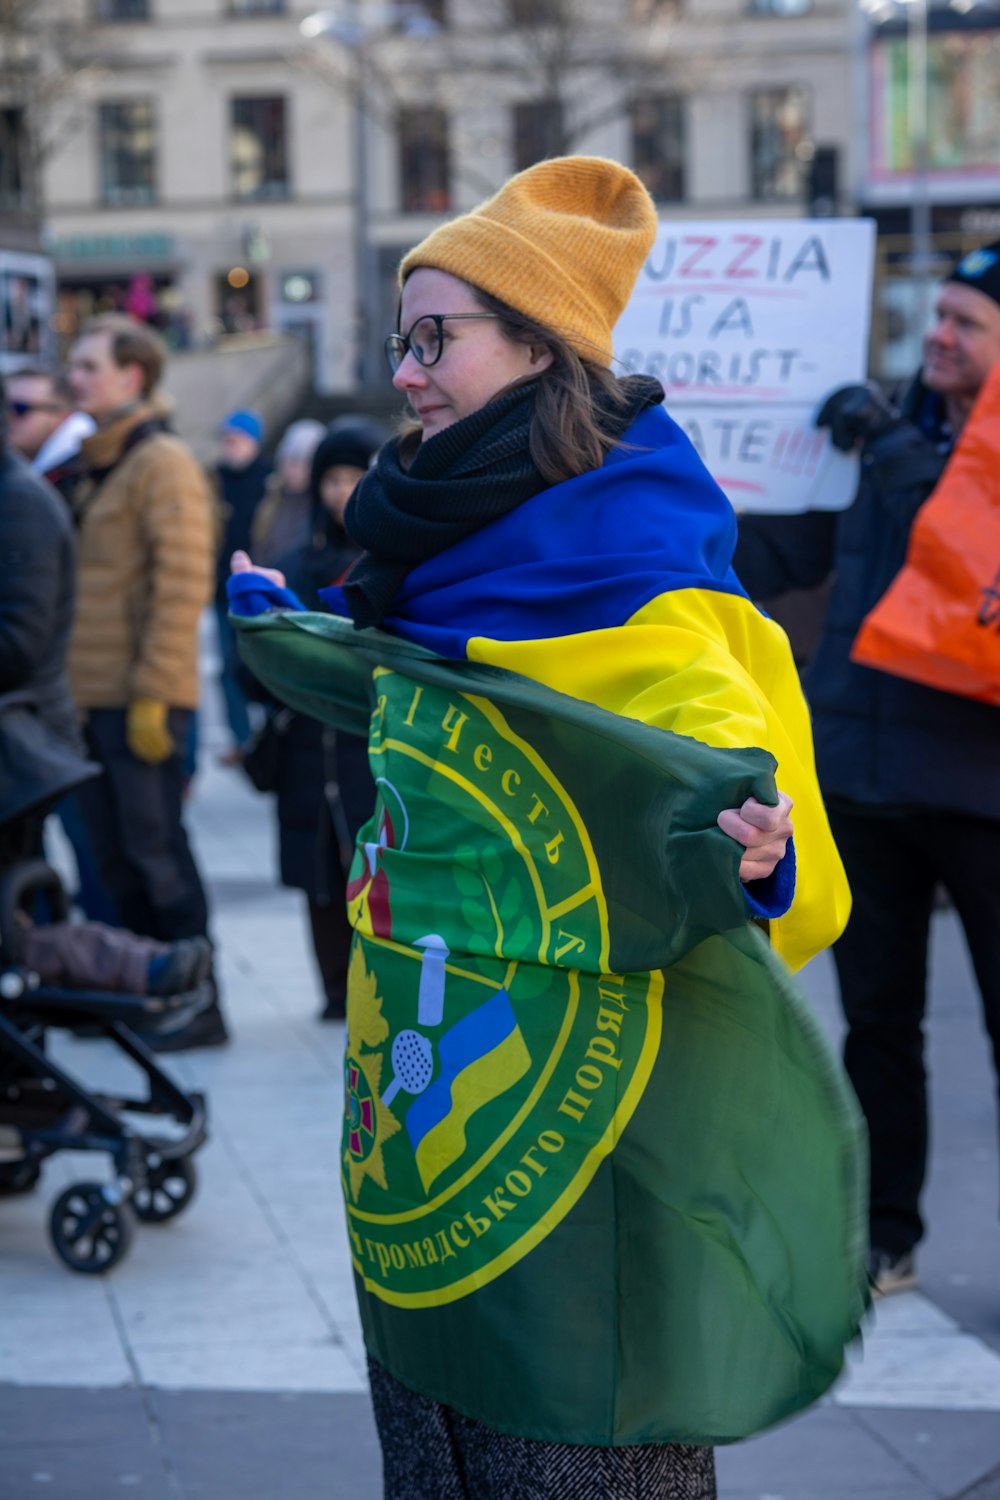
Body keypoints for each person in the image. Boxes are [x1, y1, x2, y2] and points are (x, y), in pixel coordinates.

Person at [230, 158, 858, 1500]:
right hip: (426, 1144)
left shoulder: (637, 566)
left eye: (438, 338)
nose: (407, 372)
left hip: (575, 1165)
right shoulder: (428, 545)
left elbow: (733, 764)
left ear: (541, 348)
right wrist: (297, 628)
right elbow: (436, 688)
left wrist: (754, 844)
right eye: (406, 339)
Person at [734, 242, 1000, 1296]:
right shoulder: (877, 424)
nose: (937, 333)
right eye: (937, 314)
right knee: (876, 1027)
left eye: (966, 322)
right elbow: (788, 555)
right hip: (860, 774)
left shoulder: (895, 440)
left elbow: (967, 552)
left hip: (982, 791)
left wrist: (890, 451)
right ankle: (882, 1234)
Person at [65, 313, 227, 1052]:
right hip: (92, 697)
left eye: (90, 366)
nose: (76, 379)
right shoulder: (101, 461)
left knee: (157, 857)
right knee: (115, 861)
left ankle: (200, 1002)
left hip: (139, 698)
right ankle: (144, 992)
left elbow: (180, 584)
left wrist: (158, 695)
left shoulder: (158, 460)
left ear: (134, 376)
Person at [240, 421, 379, 1020]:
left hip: (364, 746)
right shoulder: (297, 561)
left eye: (355, 479)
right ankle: (333, 989)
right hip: (304, 745)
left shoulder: (393, 566)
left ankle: (371, 987)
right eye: (332, 479)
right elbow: (258, 671)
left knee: (370, 867)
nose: (341, 492)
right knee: (319, 872)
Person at [213, 408, 271, 762]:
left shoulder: (269, 479)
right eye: (226, 440)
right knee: (226, 669)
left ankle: (267, 736)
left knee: (262, 667)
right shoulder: (214, 479)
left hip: (259, 591)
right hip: (221, 591)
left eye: (236, 440)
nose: (230, 447)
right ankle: (241, 738)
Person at [4, 366, 95, 502]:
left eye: (20, 408)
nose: (7, 417)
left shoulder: (79, 479)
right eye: (3, 407)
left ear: (60, 416)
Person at [250, 417, 325, 565]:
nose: (294, 470)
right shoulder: (272, 497)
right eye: (290, 461)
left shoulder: (321, 504)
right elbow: (259, 542)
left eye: (303, 462)